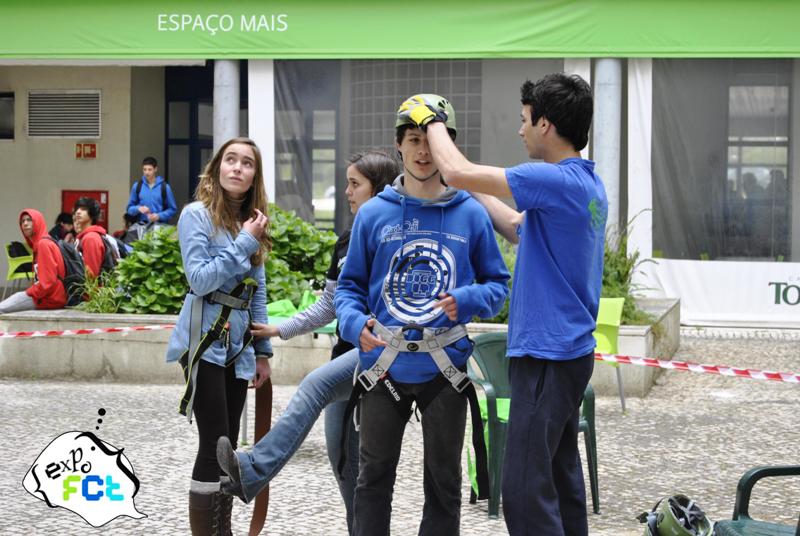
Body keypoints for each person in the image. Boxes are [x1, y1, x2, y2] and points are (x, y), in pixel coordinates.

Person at [400, 75, 607, 536]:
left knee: (522, 490)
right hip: (569, 355)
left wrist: (430, 119)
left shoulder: (552, 178)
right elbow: (517, 226)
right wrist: (474, 190)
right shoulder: (586, 185)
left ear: (546, 125)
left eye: (524, 121)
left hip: (547, 356)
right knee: (559, 477)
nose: (520, 131)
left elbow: (454, 170)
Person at [334, 95, 510, 536]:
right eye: (414, 140)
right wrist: (356, 326)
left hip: (444, 370)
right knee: (372, 481)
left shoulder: (471, 214)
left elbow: (497, 285)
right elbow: (349, 288)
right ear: (399, 146)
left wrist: (467, 299)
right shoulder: (374, 215)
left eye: (432, 141)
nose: (423, 151)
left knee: (444, 484)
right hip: (383, 369)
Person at [216, 151, 399, 533]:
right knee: (344, 463)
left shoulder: (396, 233)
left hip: (384, 354)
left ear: (379, 189)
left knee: (314, 386)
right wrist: (280, 330)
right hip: (348, 353)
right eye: (347, 182)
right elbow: (330, 305)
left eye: (354, 184)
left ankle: (253, 469)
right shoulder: (348, 238)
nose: (347, 192)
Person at [164, 137, 273, 535]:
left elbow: (256, 292)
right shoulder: (196, 215)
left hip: (240, 348)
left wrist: (263, 352)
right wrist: (245, 241)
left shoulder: (255, 222)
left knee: (229, 452)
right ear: (217, 167)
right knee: (215, 443)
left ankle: (221, 529)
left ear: (254, 175)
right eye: (231, 160)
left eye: (247, 163)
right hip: (205, 340)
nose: (238, 168)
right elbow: (200, 279)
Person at [0, 209, 66, 313]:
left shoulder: (43, 244)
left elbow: (47, 282)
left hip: (49, 298)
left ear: (38, 222)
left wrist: (29, 292)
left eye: (29, 220)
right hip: (46, 296)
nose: (25, 223)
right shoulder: (40, 244)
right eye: (22, 221)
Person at [126, 156, 178, 224]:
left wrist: (159, 216)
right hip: (142, 227)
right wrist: (138, 208)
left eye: (149, 169)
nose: (147, 172)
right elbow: (129, 209)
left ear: (155, 169)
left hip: (160, 228)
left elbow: (173, 210)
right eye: (144, 169)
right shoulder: (137, 186)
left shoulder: (164, 187)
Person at [72, 197, 110, 279]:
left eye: (83, 209)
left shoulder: (91, 238)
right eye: (77, 209)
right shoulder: (85, 236)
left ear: (92, 214)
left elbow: (91, 276)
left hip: (93, 290)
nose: (78, 212)